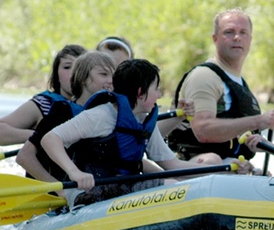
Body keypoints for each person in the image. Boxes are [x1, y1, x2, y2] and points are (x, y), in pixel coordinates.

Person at [41, 58, 254, 208]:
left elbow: (174, 167)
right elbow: (50, 139)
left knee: (174, 186)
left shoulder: (144, 122)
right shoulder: (102, 115)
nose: (159, 95)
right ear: (141, 93)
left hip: (124, 188)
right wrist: (74, 173)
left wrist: (224, 171)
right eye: (156, 89)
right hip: (91, 193)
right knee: (170, 188)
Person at [166, 8, 274, 167]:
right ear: (215, 39)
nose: (237, 37)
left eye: (243, 32)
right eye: (229, 32)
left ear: (250, 39)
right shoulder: (204, 77)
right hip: (196, 167)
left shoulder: (240, 84)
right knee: (212, 161)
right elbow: (203, 131)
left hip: (233, 168)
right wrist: (257, 121)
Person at [15, 50, 116, 183]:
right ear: (83, 78)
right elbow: (24, 157)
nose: (111, 81)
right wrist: (57, 189)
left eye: (114, 76)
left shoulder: (109, 114)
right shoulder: (62, 111)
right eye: (104, 74)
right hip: (54, 194)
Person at [0, 44, 87, 146]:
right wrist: (40, 136)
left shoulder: (97, 106)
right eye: (67, 67)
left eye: (80, 67)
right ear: (57, 74)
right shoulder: (42, 105)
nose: (73, 73)